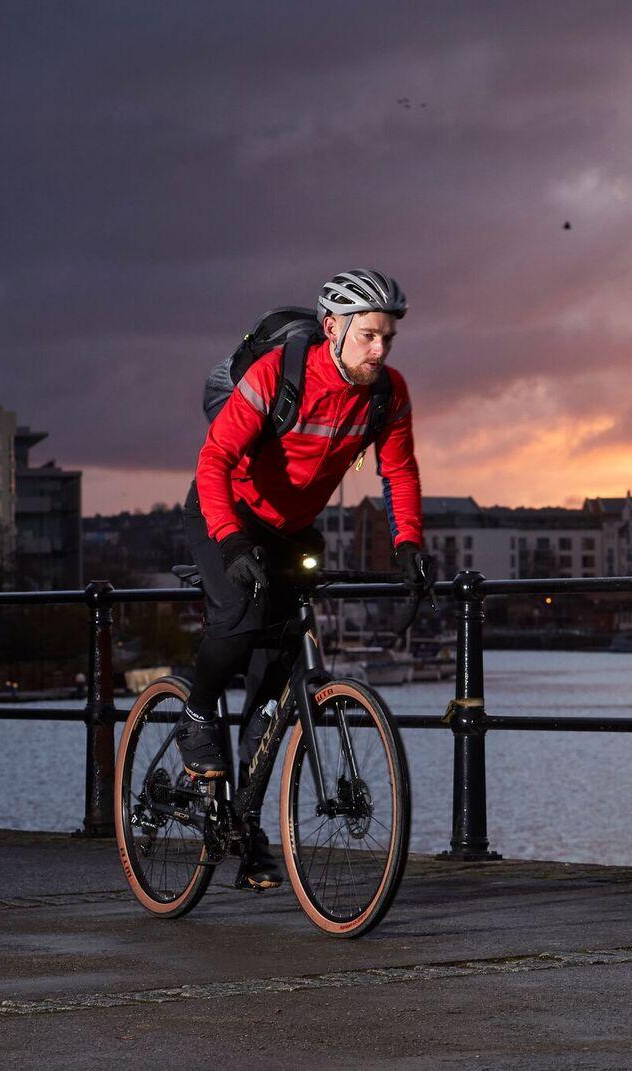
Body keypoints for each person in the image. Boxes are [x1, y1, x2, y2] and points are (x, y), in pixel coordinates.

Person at [178, 268, 434, 889]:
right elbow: (213, 460)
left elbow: (398, 473)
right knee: (237, 626)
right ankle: (194, 714)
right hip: (226, 513)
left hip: (291, 531)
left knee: (272, 692)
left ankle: (244, 830)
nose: (381, 349)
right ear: (333, 328)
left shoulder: (387, 395)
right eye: (369, 335)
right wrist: (232, 540)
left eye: (388, 338)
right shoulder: (279, 377)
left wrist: (408, 545)